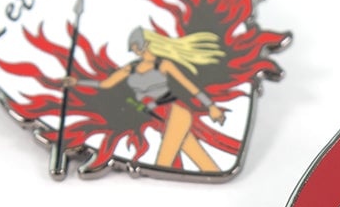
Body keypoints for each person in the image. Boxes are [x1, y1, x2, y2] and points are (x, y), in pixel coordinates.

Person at [64, 26, 227, 172]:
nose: (136, 51)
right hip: (159, 120)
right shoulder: (131, 68)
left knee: (162, 164)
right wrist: (77, 82)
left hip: (176, 113)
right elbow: (106, 84)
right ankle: (216, 176)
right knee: (203, 161)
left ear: (146, 44)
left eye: (137, 47)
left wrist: (211, 106)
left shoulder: (164, 64)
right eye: (134, 49)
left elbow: (190, 86)